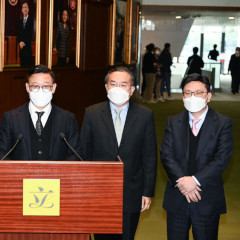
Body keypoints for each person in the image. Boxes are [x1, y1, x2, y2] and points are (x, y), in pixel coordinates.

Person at [81, 66, 157, 240]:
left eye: (123, 85)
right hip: (99, 191)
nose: (117, 88)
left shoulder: (145, 115)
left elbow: (150, 156)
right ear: (106, 87)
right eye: (113, 84)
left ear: (131, 90)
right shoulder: (92, 113)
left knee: (127, 236)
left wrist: (147, 191)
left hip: (132, 190)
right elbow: (84, 153)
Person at [160, 73, 233, 240]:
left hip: (206, 197)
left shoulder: (222, 123)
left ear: (208, 96)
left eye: (198, 93)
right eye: (187, 93)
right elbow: (166, 154)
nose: (192, 97)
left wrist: (194, 181)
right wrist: (182, 181)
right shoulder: (173, 121)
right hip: (177, 198)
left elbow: (222, 158)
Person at [0, 64, 81, 160]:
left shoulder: (67, 119)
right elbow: (1, 155)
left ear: (54, 88)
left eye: (46, 86)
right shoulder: (11, 118)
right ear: (27, 87)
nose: (40, 90)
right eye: (35, 86)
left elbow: (75, 156)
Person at [18, 2, 34, 67]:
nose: (25, 9)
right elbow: (18, 34)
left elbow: (30, 34)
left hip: (27, 49)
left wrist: (24, 43)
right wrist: (20, 42)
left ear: (28, 9)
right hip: (21, 50)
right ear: (22, 10)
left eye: (26, 7)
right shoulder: (20, 21)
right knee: (21, 68)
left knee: (27, 69)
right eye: (23, 7)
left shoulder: (31, 21)